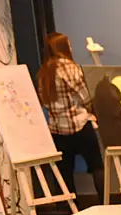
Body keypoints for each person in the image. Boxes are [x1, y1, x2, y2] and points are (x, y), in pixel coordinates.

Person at [36, 32, 104, 203]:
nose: (71, 47)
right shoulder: (70, 67)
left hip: (57, 130)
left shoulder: (43, 72)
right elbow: (85, 97)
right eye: (69, 44)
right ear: (63, 47)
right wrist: (92, 111)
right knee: (97, 166)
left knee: (65, 173)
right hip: (80, 125)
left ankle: (72, 212)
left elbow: (43, 101)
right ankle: (105, 204)